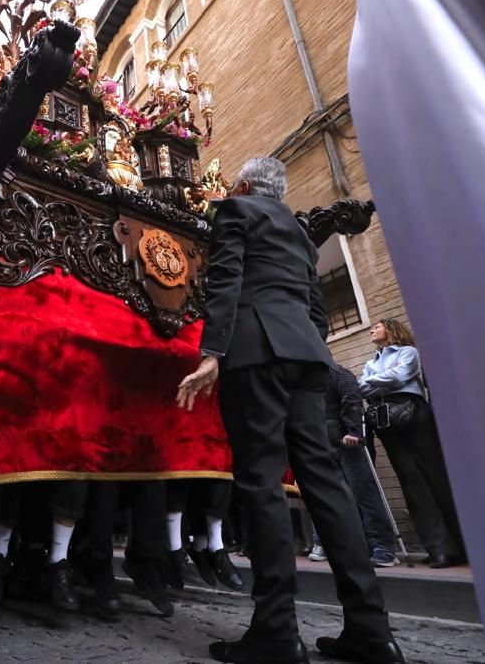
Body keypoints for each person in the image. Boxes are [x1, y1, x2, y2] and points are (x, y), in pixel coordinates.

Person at [176, 157, 403, 664]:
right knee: (326, 483)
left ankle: (276, 631)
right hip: (306, 358)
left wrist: (212, 352)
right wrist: (307, 350)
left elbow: (226, 280)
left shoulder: (235, 210)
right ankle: (371, 629)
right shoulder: (300, 232)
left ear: (247, 185)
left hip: (256, 353)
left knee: (260, 484)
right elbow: (316, 307)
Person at [359, 319, 464, 568]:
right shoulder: (370, 362)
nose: (372, 330)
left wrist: (376, 381)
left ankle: (461, 544)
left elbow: (403, 374)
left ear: (392, 330)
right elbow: (362, 387)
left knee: (436, 475)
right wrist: (385, 379)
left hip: (413, 413)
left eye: (378, 326)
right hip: (386, 421)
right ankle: (438, 547)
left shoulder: (408, 352)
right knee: (411, 482)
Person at [308, 363, 400, 569]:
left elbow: (352, 400)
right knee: (328, 494)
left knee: (363, 492)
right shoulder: (305, 381)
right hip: (324, 441)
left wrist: (354, 431)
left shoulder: (338, 373)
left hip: (348, 441)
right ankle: (329, 543)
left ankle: (383, 547)